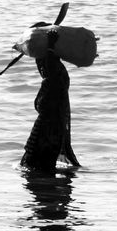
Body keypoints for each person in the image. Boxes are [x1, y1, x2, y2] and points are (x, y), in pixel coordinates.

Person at [21, 36, 81, 173]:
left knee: (35, 167)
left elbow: (43, 106)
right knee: (42, 169)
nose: (39, 66)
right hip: (54, 131)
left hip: (47, 133)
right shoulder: (59, 74)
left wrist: (50, 45)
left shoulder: (53, 75)